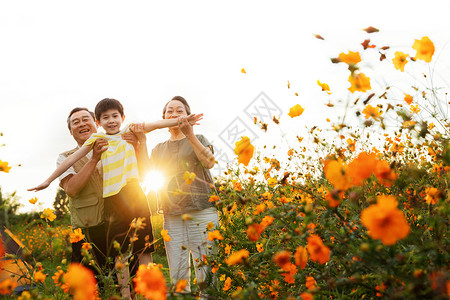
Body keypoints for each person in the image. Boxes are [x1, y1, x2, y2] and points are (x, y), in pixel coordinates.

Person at [29, 98, 202, 298]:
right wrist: (48, 180)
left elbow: (156, 124)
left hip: (135, 195)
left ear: (122, 117)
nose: (111, 121)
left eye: (115, 116)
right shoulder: (97, 141)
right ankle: (126, 294)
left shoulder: (130, 131)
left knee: (144, 247)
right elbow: (71, 160)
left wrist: (183, 121)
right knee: (119, 252)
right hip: (111, 202)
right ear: (99, 122)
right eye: (105, 117)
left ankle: (148, 292)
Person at [139, 96, 218, 294]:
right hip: (172, 215)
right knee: (178, 274)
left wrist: (189, 134)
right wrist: (141, 141)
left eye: (179, 110)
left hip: (202, 211)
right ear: (164, 118)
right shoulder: (159, 149)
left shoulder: (199, 139)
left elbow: (209, 162)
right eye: (170, 111)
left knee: (207, 271)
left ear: (188, 115)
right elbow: (144, 173)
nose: (174, 114)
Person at [58, 107, 108, 271]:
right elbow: (71, 189)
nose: (82, 124)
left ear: (96, 123)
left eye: (86, 119)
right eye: (75, 122)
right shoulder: (65, 158)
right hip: (86, 231)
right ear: (71, 132)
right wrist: (93, 159)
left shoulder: (114, 147)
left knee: (123, 285)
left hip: (116, 226)